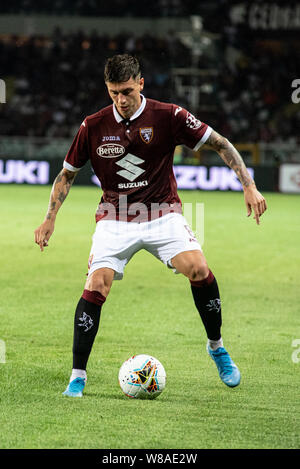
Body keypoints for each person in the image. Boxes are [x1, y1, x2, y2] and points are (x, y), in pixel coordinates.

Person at [34, 54, 267, 397]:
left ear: (141, 84)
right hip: (115, 216)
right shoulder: (93, 126)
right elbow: (67, 174)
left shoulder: (168, 115)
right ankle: (78, 376)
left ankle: (216, 347)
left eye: (127, 91)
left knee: (199, 270)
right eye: (113, 93)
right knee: (97, 284)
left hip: (162, 213)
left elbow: (220, 143)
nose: (121, 100)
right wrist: (50, 217)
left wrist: (248, 184)